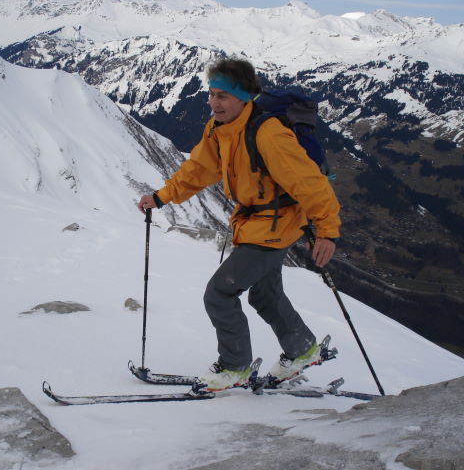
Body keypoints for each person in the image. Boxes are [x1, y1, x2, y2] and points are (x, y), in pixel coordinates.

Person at [137, 58, 341, 392]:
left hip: (274, 226)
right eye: (211, 94)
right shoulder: (219, 129)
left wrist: (327, 232)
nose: (214, 103)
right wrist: (162, 197)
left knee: (220, 293)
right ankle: (302, 350)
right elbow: (198, 169)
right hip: (258, 223)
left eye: (223, 96)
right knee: (265, 294)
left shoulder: (268, 134)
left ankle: (234, 367)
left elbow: (310, 184)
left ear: (244, 98)